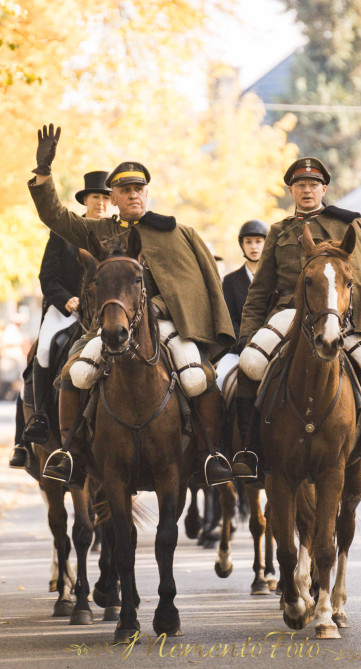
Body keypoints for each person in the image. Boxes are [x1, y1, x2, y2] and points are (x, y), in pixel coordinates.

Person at [26, 124, 237, 487]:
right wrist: (44, 173)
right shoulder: (101, 231)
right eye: (125, 190)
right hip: (111, 325)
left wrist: (155, 307)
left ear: (146, 193)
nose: (134, 194)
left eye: (139, 189)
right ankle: (70, 455)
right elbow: (56, 217)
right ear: (114, 196)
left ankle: (210, 454)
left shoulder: (176, 233)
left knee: (198, 376)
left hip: (167, 326)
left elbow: (192, 287)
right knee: (74, 374)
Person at [235, 157, 361, 481]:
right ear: (291, 191)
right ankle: (250, 451)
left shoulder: (351, 229)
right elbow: (260, 289)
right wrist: (247, 333)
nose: (307, 191)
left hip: (337, 316)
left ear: (324, 189)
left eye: (313, 185)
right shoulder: (280, 231)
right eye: (300, 185)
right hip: (288, 313)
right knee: (250, 364)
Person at [9, 170, 112, 469]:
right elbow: (48, 276)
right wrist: (67, 299)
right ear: (86, 200)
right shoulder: (63, 232)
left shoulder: (117, 233)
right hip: (67, 309)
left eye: (106, 197)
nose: (102, 203)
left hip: (105, 313)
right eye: (96, 197)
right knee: (43, 350)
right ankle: (39, 418)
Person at [221, 220, 268, 341]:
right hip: (239, 344)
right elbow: (229, 319)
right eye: (248, 242)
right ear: (242, 245)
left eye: (258, 241)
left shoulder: (276, 278)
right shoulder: (230, 281)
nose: (253, 246)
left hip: (271, 343)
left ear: (266, 243)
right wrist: (242, 342)